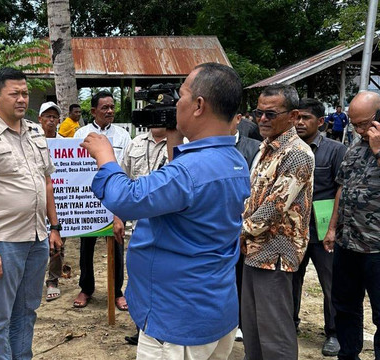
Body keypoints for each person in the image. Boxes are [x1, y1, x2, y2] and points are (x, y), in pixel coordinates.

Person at [81, 62, 250, 359]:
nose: (175, 105)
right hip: (213, 307)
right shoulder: (232, 159)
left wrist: (106, 158)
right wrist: (175, 138)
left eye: (180, 97)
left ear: (198, 105)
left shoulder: (190, 171)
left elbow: (127, 199)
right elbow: (181, 195)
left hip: (177, 319)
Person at [0, 67, 62, 359]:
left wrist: (54, 227)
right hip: (3, 241)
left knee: (28, 310)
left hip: (37, 237)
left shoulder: (35, 132)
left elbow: (46, 181)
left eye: (25, 93)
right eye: (14, 93)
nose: (21, 99)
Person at [241, 84, 315, 360]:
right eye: (258, 112)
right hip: (254, 250)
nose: (262, 119)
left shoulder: (297, 153)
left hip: (276, 255)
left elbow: (274, 207)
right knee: (252, 329)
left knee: (275, 335)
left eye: (270, 114)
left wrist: (238, 232)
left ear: (293, 115)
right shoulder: (265, 149)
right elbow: (251, 199)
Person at [323, 91, 380, 360]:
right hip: (348, 243)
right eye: (354, 124)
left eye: (364, 123)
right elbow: (343, 187)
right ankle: (348, 355)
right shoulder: (356, 144)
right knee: (346, 307)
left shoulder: (379, 143)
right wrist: (332, 227)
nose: (360, 129)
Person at [291, 98, 346, 356]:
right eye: (297, 117)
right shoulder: (288, 149)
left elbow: (341, 190)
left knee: (330, 283)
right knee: (290, 281)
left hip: (323, 230)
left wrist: (333, 228)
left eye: (306, 118)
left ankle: (333, 332)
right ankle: (289, 324)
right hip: (293, 231)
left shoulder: (335, 150)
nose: (300, 123)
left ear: (321, 122)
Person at [73, 91, 131, 310]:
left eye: (112, 107)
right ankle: (86, 288)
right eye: (104, 107)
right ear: (94, 111)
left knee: (117, 245)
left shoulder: (123, 135)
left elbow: (126, 168)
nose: (109, 111)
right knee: (86, 247)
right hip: (87, 200)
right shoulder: (81, 133)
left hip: (116, 199)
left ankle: (117, 292)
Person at [120, 126, 169, 346]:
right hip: (138, 227)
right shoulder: (135, 143)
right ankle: (142, 328)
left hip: (168, 227)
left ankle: (162, 331)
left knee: (164, 278)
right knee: (138, 279)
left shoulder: (182, 143)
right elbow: (122, 180)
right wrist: (117, 217)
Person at [231, 113, 261, 343]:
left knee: (241, 274)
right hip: (220, 222)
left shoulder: (255, 148)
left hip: (245, 224)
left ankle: (240, 322)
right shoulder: (211, 144)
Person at [37, 101, 67, 302]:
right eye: (47, 116)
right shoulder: (31, 141)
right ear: (40, 119)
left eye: (54, 117)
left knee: (58, 240)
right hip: (38, 198)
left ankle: (53, 280)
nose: (50, 120)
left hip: (61, 198)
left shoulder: (66, 142)